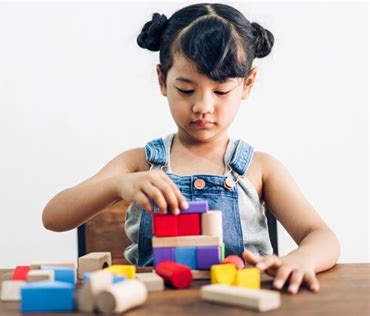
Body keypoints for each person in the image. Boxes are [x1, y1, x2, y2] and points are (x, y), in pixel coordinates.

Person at [42, 3, 339, 295]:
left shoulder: (260, 168)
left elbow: (322, 237)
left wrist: (301, 260)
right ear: (162, 80)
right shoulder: (139, 163)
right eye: (186, 89)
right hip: (153, 305)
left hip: (240, 302)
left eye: (221, 91)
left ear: (248, 84)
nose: (202, 106)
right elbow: (54, 217)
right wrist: (118, 185)